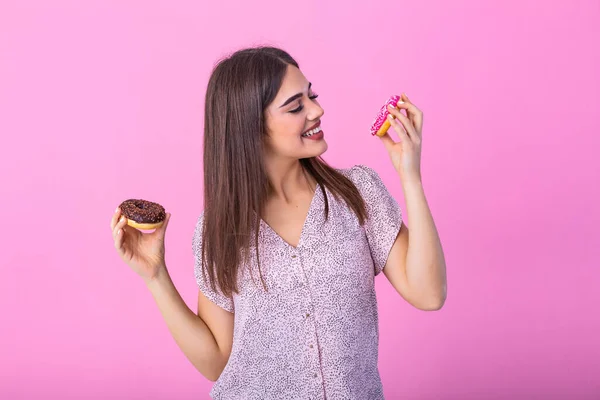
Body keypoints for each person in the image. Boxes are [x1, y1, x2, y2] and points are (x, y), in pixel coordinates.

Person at [109, 46, 447, 399]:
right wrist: (155, 276)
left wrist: (410, 177)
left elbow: (429, 293)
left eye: (311, 95)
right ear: (251, 126)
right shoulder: (218, 230)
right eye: (296, 106)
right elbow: (216, 362)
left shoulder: (357, 193)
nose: (317, 110)